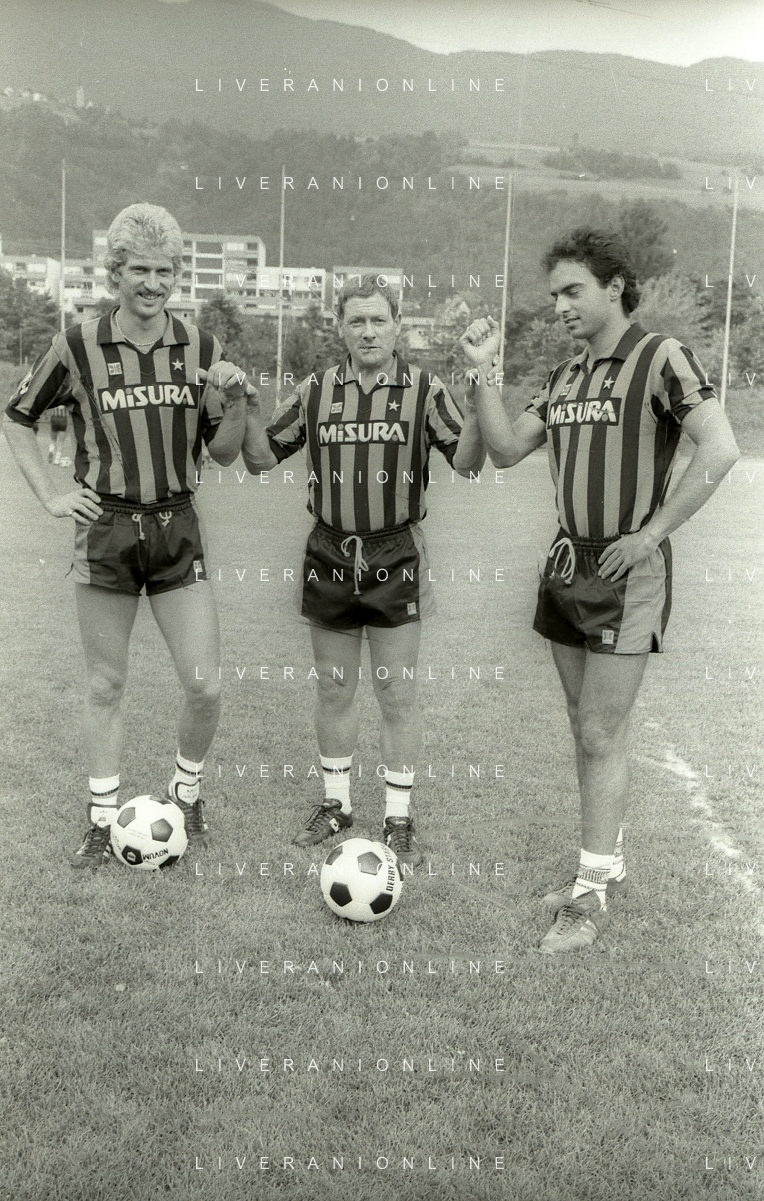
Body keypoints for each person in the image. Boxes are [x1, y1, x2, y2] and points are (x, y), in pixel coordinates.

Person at [460, 226, 739, 953]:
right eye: (553, 294)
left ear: (615, 287)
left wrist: (651, 535)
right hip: (565, 567)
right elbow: (503, 450)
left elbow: (721, 447)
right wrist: (483, 373)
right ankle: (602, 864)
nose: (559, 306)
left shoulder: (660, 357)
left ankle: (587, 896)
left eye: (572, 291)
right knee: (585, 725)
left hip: (626, 572)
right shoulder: (564, 376)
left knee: (598, 732)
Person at [4, 203, 255, 870]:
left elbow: (224, 451)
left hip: (177, 525)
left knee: (205, 685)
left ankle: (186, 794)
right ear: (114, 273)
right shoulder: (76, 345)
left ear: (178, 275)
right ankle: (101, 818)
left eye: (164, 271)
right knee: (105, 684)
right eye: (139, 269)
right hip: (107, 529)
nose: (152, 283)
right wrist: (52, 495)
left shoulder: (202, 348)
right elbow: (18, 416)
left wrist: (234, 402)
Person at [242, 274, 485, 865]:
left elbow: (469, 461)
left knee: (396, 690)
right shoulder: (315, 390)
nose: (369, 331)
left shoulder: (424, 390)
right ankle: (337, 805)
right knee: (333, 686)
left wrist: (480, 396)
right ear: (341, 328)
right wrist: (243, 407)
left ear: (397, 325)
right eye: (357, 321)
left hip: (395, 553)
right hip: (329, 553)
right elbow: (260, 457)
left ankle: (398, 818)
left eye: (379, 320)